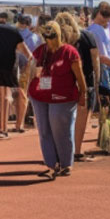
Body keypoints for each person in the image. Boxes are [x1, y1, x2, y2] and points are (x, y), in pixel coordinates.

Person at [26, 21, 87, 179]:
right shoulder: (41, 51)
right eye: (46, 36)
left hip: (63, 97)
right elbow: (30, 70)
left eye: (52, 36)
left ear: (59, 35)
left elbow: (80, 76)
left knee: (60, 128)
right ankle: (52, 164)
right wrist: (26, 86)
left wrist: (83, 93)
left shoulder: (69, 52)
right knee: (44, 130)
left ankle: (66, 163)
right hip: (40, 95)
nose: (49, 39)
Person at [53, 12, 97, 162]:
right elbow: (95, 59)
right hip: (85, 81)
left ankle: (61, 152)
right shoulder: (87, 36)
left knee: (61, 119)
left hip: (61, 82)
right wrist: (98, 82)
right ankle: (76, 151)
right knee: (81, 118)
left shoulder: (55, 39)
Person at [13, 14, 41, 133]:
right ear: (30, 25)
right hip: (33, 67)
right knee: (33, 94)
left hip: (17, 67)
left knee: (19, 95)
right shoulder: (36, 37)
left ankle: (20, 123)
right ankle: (33, 121)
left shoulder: (14, 33)